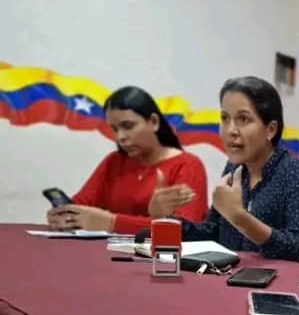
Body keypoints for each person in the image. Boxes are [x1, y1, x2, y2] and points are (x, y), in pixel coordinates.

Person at [177, 76, 299, 264]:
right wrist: (167, 220)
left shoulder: (293, 171)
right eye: (225, 118)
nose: (231, 130)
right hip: (230, 275)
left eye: (243, 119)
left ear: (271, 129)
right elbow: (214, 232)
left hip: (273, 279)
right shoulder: (233, 167)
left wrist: (241, 219)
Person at [46, 86, 208, 234]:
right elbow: (81, 205)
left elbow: (184, 230)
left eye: (128, 126)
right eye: (115, 129)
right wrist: (65, 216)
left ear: (154, 122)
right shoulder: (114, 162)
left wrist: (111, 223)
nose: (120, 137)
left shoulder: (188, 165)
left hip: (161, 255)